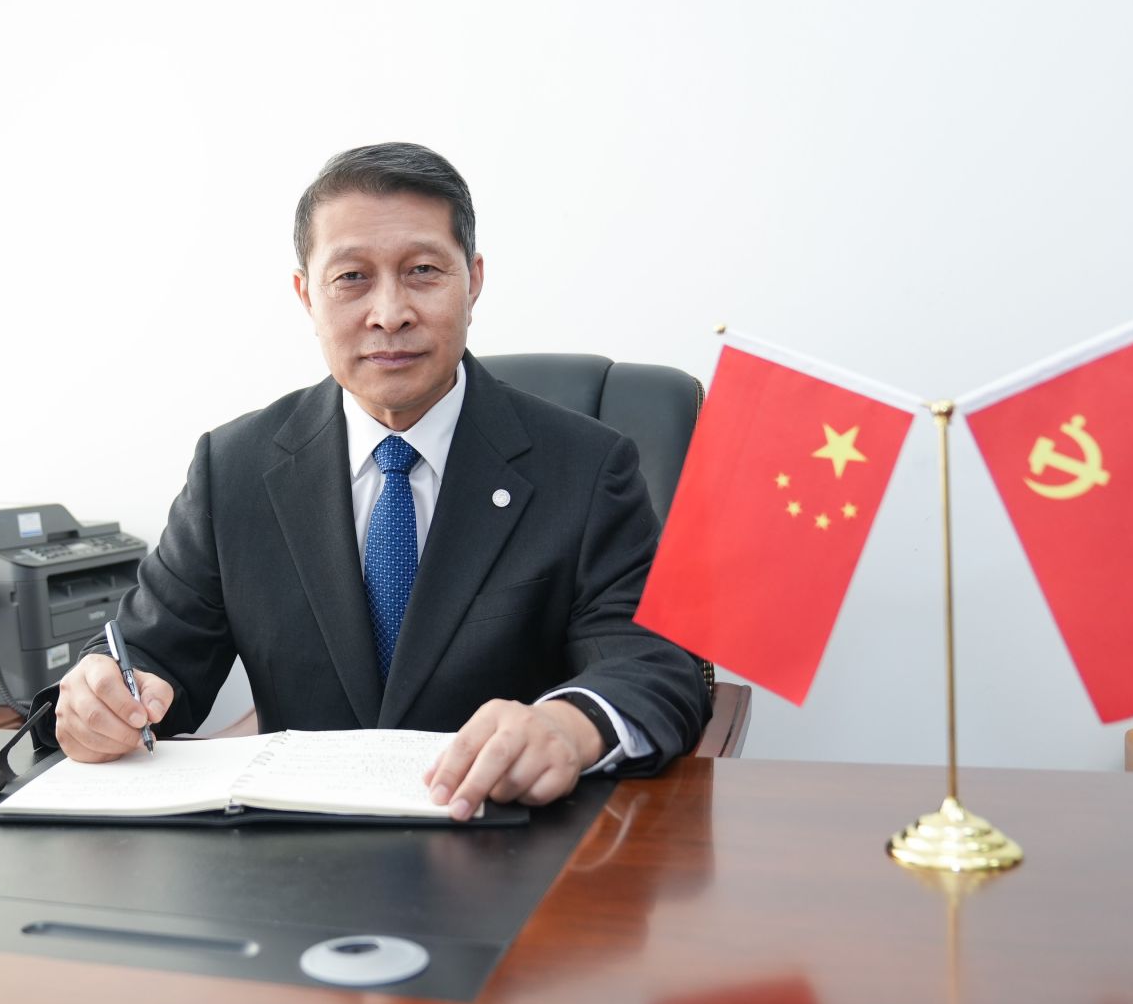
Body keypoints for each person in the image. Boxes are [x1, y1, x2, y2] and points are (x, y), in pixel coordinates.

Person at [53, 143, 708, 817]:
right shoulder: (234, 469)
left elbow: (654, 665)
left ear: (473, 281)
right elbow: (148, 661)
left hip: (505, 838)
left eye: (423, 270)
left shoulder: (587, 465)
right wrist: (99, 705)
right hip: (294, 854)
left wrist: (569, 725)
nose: (390, 312)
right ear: (307, 296)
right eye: (352, 278)